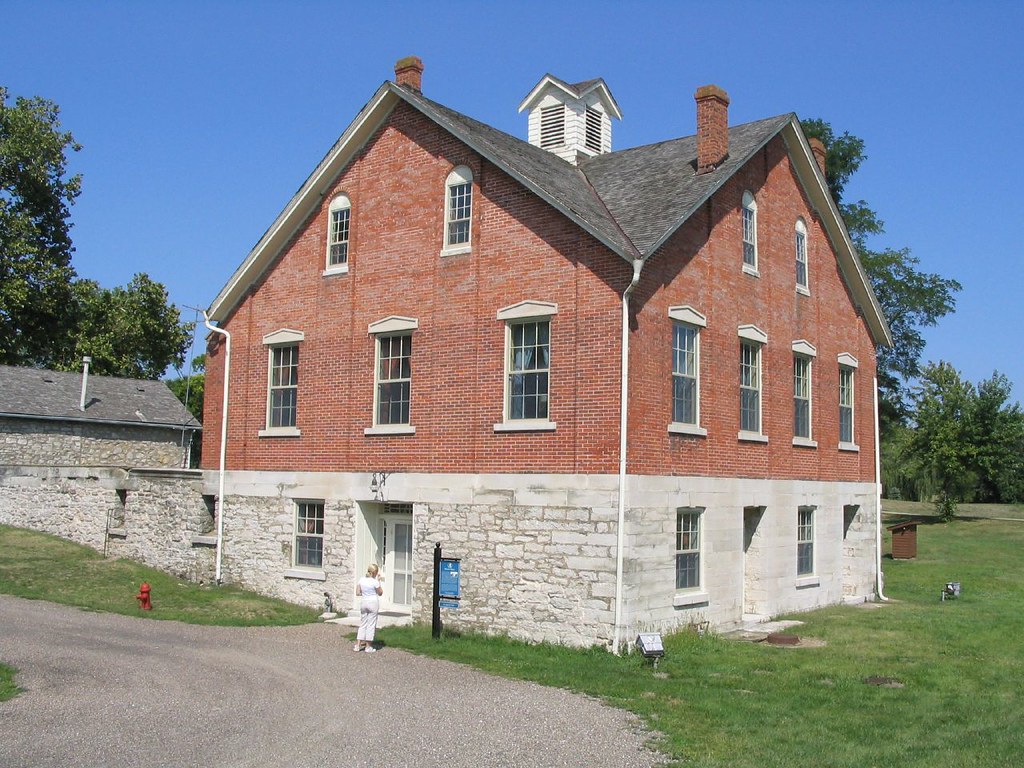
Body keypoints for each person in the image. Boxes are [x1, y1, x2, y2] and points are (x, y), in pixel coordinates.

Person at [354, 563, 383, 652]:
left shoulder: (362, 580)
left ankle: (358, 645)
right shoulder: (375, 582)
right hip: (373, 602)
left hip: (364, 602)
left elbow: (358, 592)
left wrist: (365, 593)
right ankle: (368, 646)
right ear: (375, 573)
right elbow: (380, 592)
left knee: (363, 624)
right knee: (371, 624)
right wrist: (379, 581)